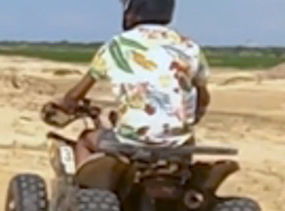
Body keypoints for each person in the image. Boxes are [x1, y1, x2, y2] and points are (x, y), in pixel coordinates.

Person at [59, 0, 210, 169]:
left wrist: (66, 104)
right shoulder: (189, 46)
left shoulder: (116, 45)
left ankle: (83, 192)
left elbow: (75, 95)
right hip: (177, 143)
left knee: (86, 139)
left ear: (134, 10)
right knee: (187, 140)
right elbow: (203, 98)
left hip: (131, 140)